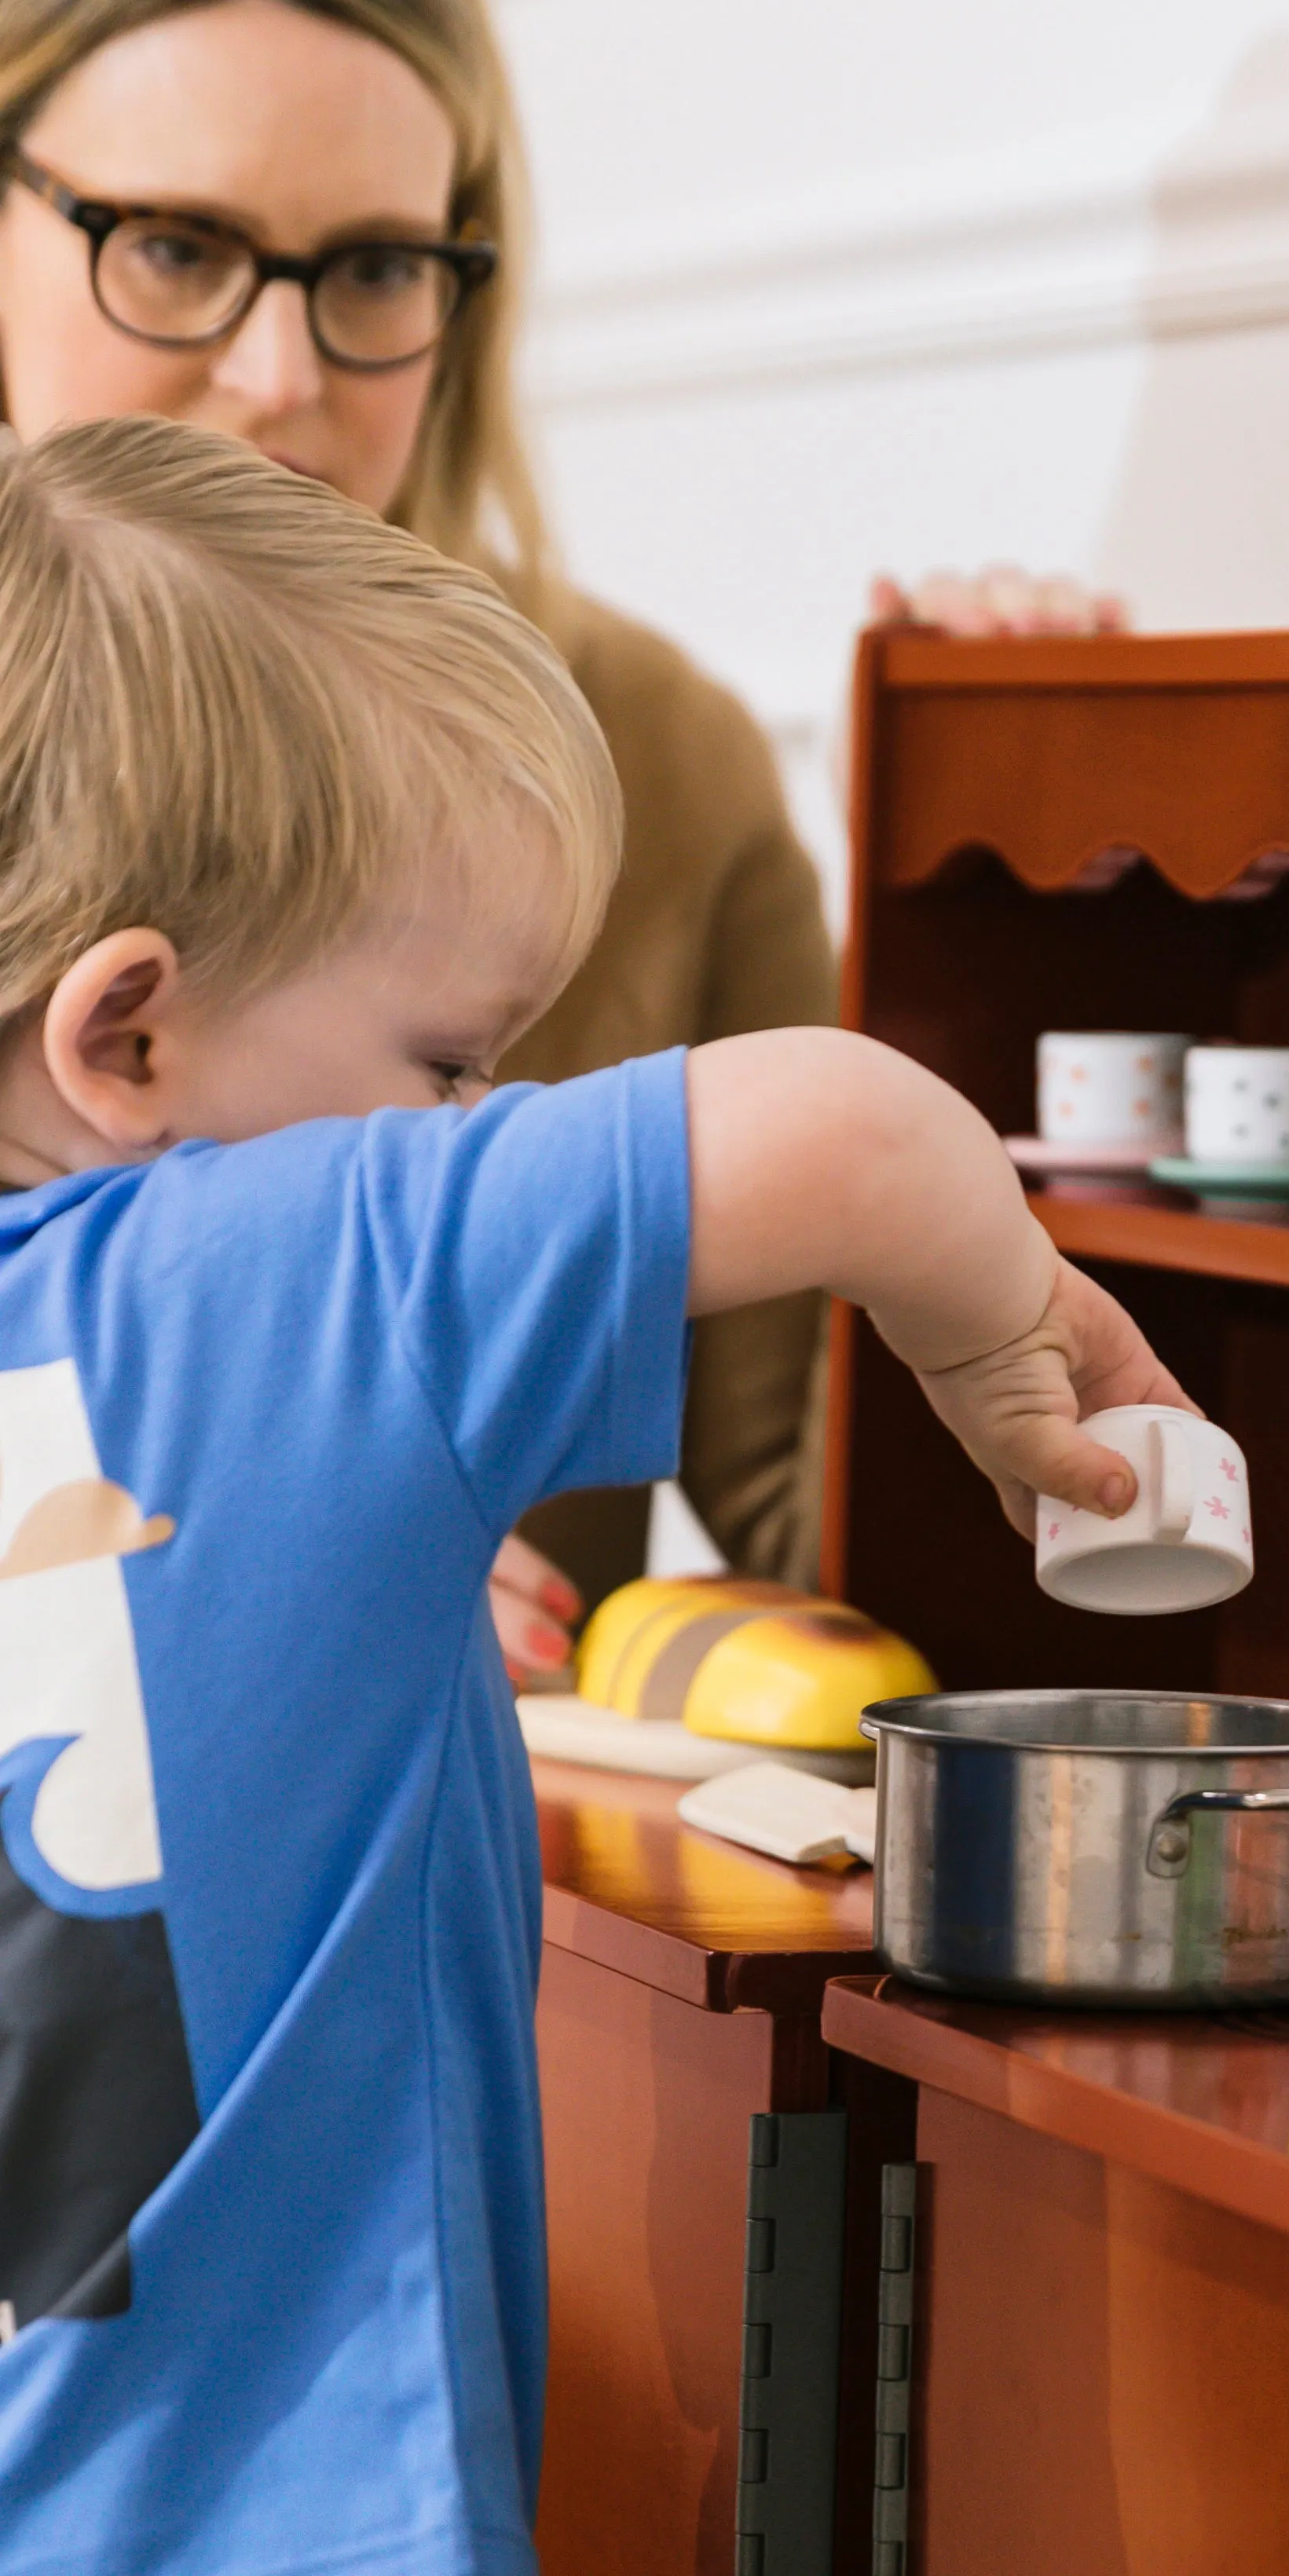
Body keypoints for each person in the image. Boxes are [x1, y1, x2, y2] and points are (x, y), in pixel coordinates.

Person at [0, 412, 1177, 2563]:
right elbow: (856, 1135)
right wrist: (1014, 1362)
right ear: (132, 1040)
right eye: (453, 1069)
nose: (486, 1126)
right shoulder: (297, 1267)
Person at [0, 0, 1121, 1679]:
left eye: (373, 266)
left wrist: (1012, 915)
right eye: (176, 247)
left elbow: (827, 1529)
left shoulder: (648, 756)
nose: (284, 371)